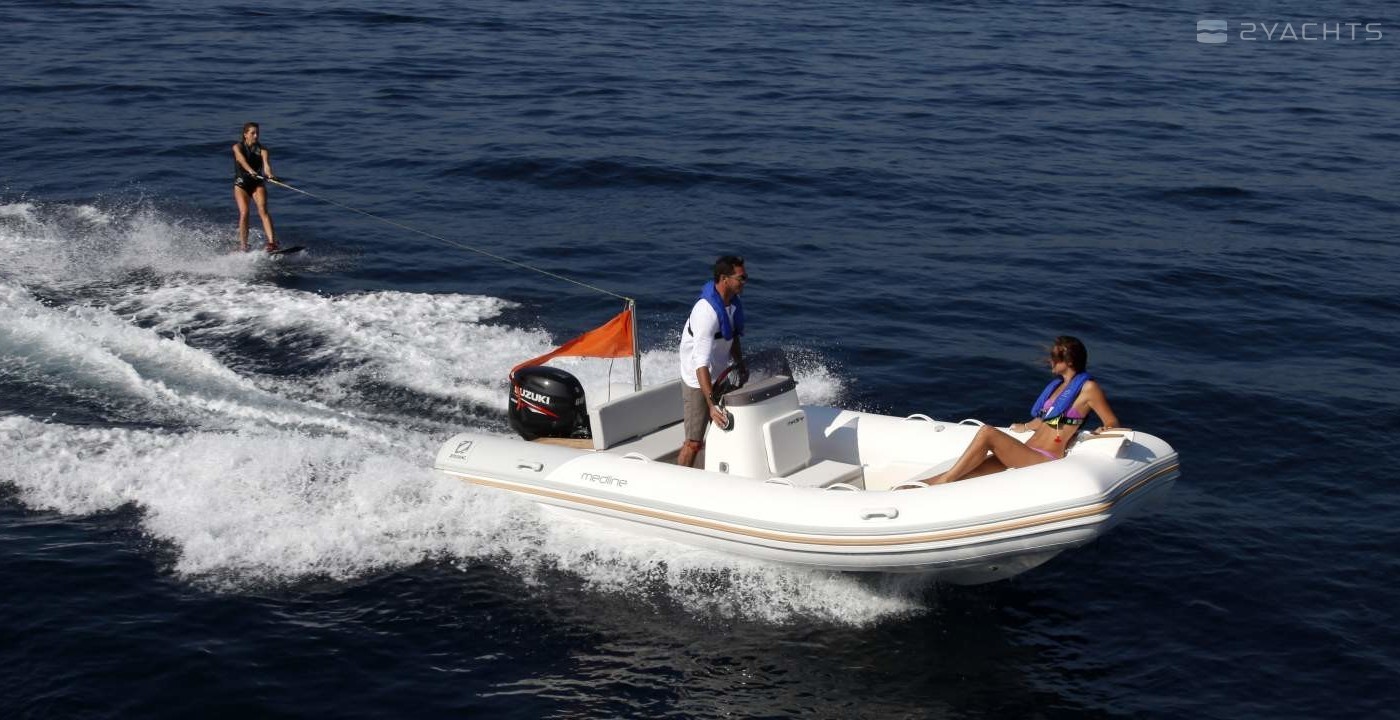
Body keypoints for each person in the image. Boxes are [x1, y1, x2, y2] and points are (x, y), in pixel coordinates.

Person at [920, 336, 1120, 485]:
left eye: (1054, 357)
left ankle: (945, 481)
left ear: (1069, 362)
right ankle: (913, 489)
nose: (1049, 361)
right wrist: (1025, 426)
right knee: (967, 472)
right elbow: (1049, 421)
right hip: (1027, 450)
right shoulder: (1059, 386)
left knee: (987, 433)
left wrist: (1105, 429)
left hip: (1044, 458)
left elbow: (1112, 422)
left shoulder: (1088, 389)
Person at [676, 255, 749, 468]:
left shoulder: (732, 305)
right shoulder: (706, 313)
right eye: (741, 278)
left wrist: (740, 364)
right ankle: (679, 479)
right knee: (693, 442)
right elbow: (700, 365)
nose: (745, 282)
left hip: (720, 374)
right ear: (724, 279)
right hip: (698, 380)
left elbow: (732, 336)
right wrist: (711, 405)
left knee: (726, 431)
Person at [232, 122, 279, 252]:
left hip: (257, 184)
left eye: (257, 133)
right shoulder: (237, 147)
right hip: (241, 184)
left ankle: (272, 243)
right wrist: (250, 170)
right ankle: (243, 245)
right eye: (253, 133)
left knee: (263, 210)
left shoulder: (263, 150)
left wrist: (269, 175)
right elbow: (241, 160)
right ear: (245, 134)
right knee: (244, 212)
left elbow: (266, 166)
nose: (256, 135)